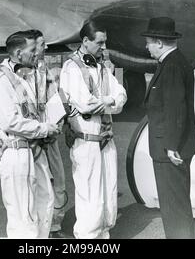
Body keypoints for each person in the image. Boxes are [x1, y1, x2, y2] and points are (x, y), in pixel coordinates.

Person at [0, 30, 61, 238]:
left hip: (37, 151)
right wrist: (44, 128)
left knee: (45, 205)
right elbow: (8, 121)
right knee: (23, 218)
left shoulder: (26, 76)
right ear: (19, 53)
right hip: (17, 153)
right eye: (32, 49)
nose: (37, 52)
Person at [60, 19, 127, 239]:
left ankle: (103, 237)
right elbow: (86, 104)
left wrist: (107, 102)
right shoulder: (72, 67)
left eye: (105, 42)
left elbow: (122, 95)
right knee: (90, 196)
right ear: (86, 41)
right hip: (86, 141)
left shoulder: (102, 66)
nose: (104, 47)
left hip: (106, 139)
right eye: (100, 42)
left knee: (108, 195)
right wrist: (111, 102)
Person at [142, 17, 195, 239]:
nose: (146, 47)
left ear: (159, 42)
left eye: (148, 42)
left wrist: (171, 146)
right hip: (172, 146)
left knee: (174, 205)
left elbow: (176, 109)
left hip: (171, 149)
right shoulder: (173, 62)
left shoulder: (172, 66)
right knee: (176, 204)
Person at [31, 29, 68, 238]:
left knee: (59, 182)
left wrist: (59, 122)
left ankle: (55, 226)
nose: (46, 47)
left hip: (51, 137)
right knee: (38, 185)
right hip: (34, 140)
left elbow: (58, 99)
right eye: (42, 43)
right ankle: (40, 230)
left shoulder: (49, 71)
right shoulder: (21, 75)